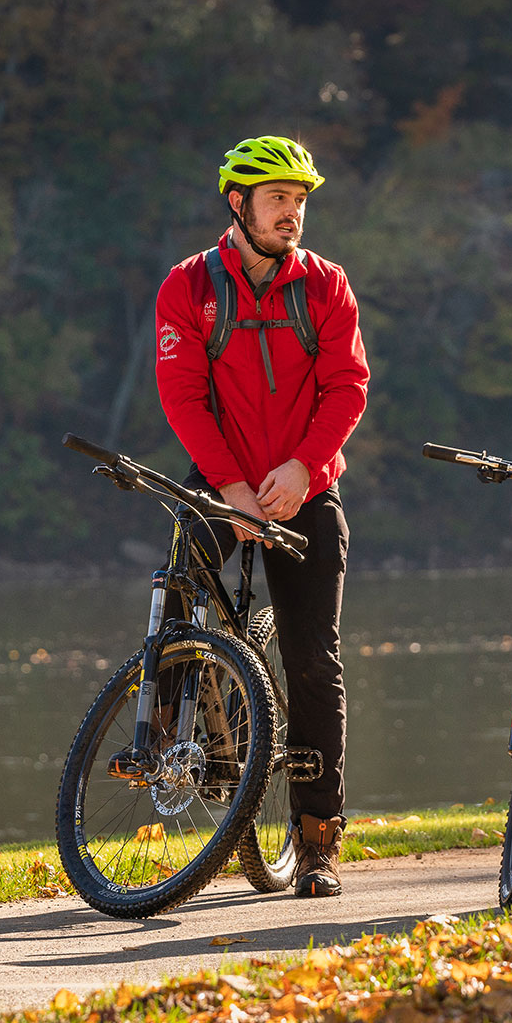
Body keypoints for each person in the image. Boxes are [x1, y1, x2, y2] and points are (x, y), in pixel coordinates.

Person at [153, 135, 370, 897]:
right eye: (279, 199)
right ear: (237, 203)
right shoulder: (189, 286)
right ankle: (179, 740)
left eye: (301, 200)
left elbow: (347, 387)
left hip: (305, 485)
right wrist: (232, 487)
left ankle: (317, 841)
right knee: (177, 592)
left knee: (314, 661)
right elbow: (182, 396)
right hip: (220, 477)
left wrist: (302, 469)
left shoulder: (326, 286)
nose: (293, 213)